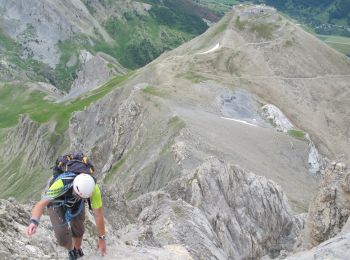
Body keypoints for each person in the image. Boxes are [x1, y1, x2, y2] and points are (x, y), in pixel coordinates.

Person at [26, 173, 107, 260]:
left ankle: (77, 250)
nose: (79, 197)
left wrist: (102, 238)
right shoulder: (61, 183)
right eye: (78, 195)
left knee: (78, 228)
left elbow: (98, 214)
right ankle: (71, 251)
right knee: (61, 236)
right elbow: (41, 204)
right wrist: (34, 222)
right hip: (56, 201)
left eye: (83, 198)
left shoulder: (94, 189)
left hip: (77, 203)